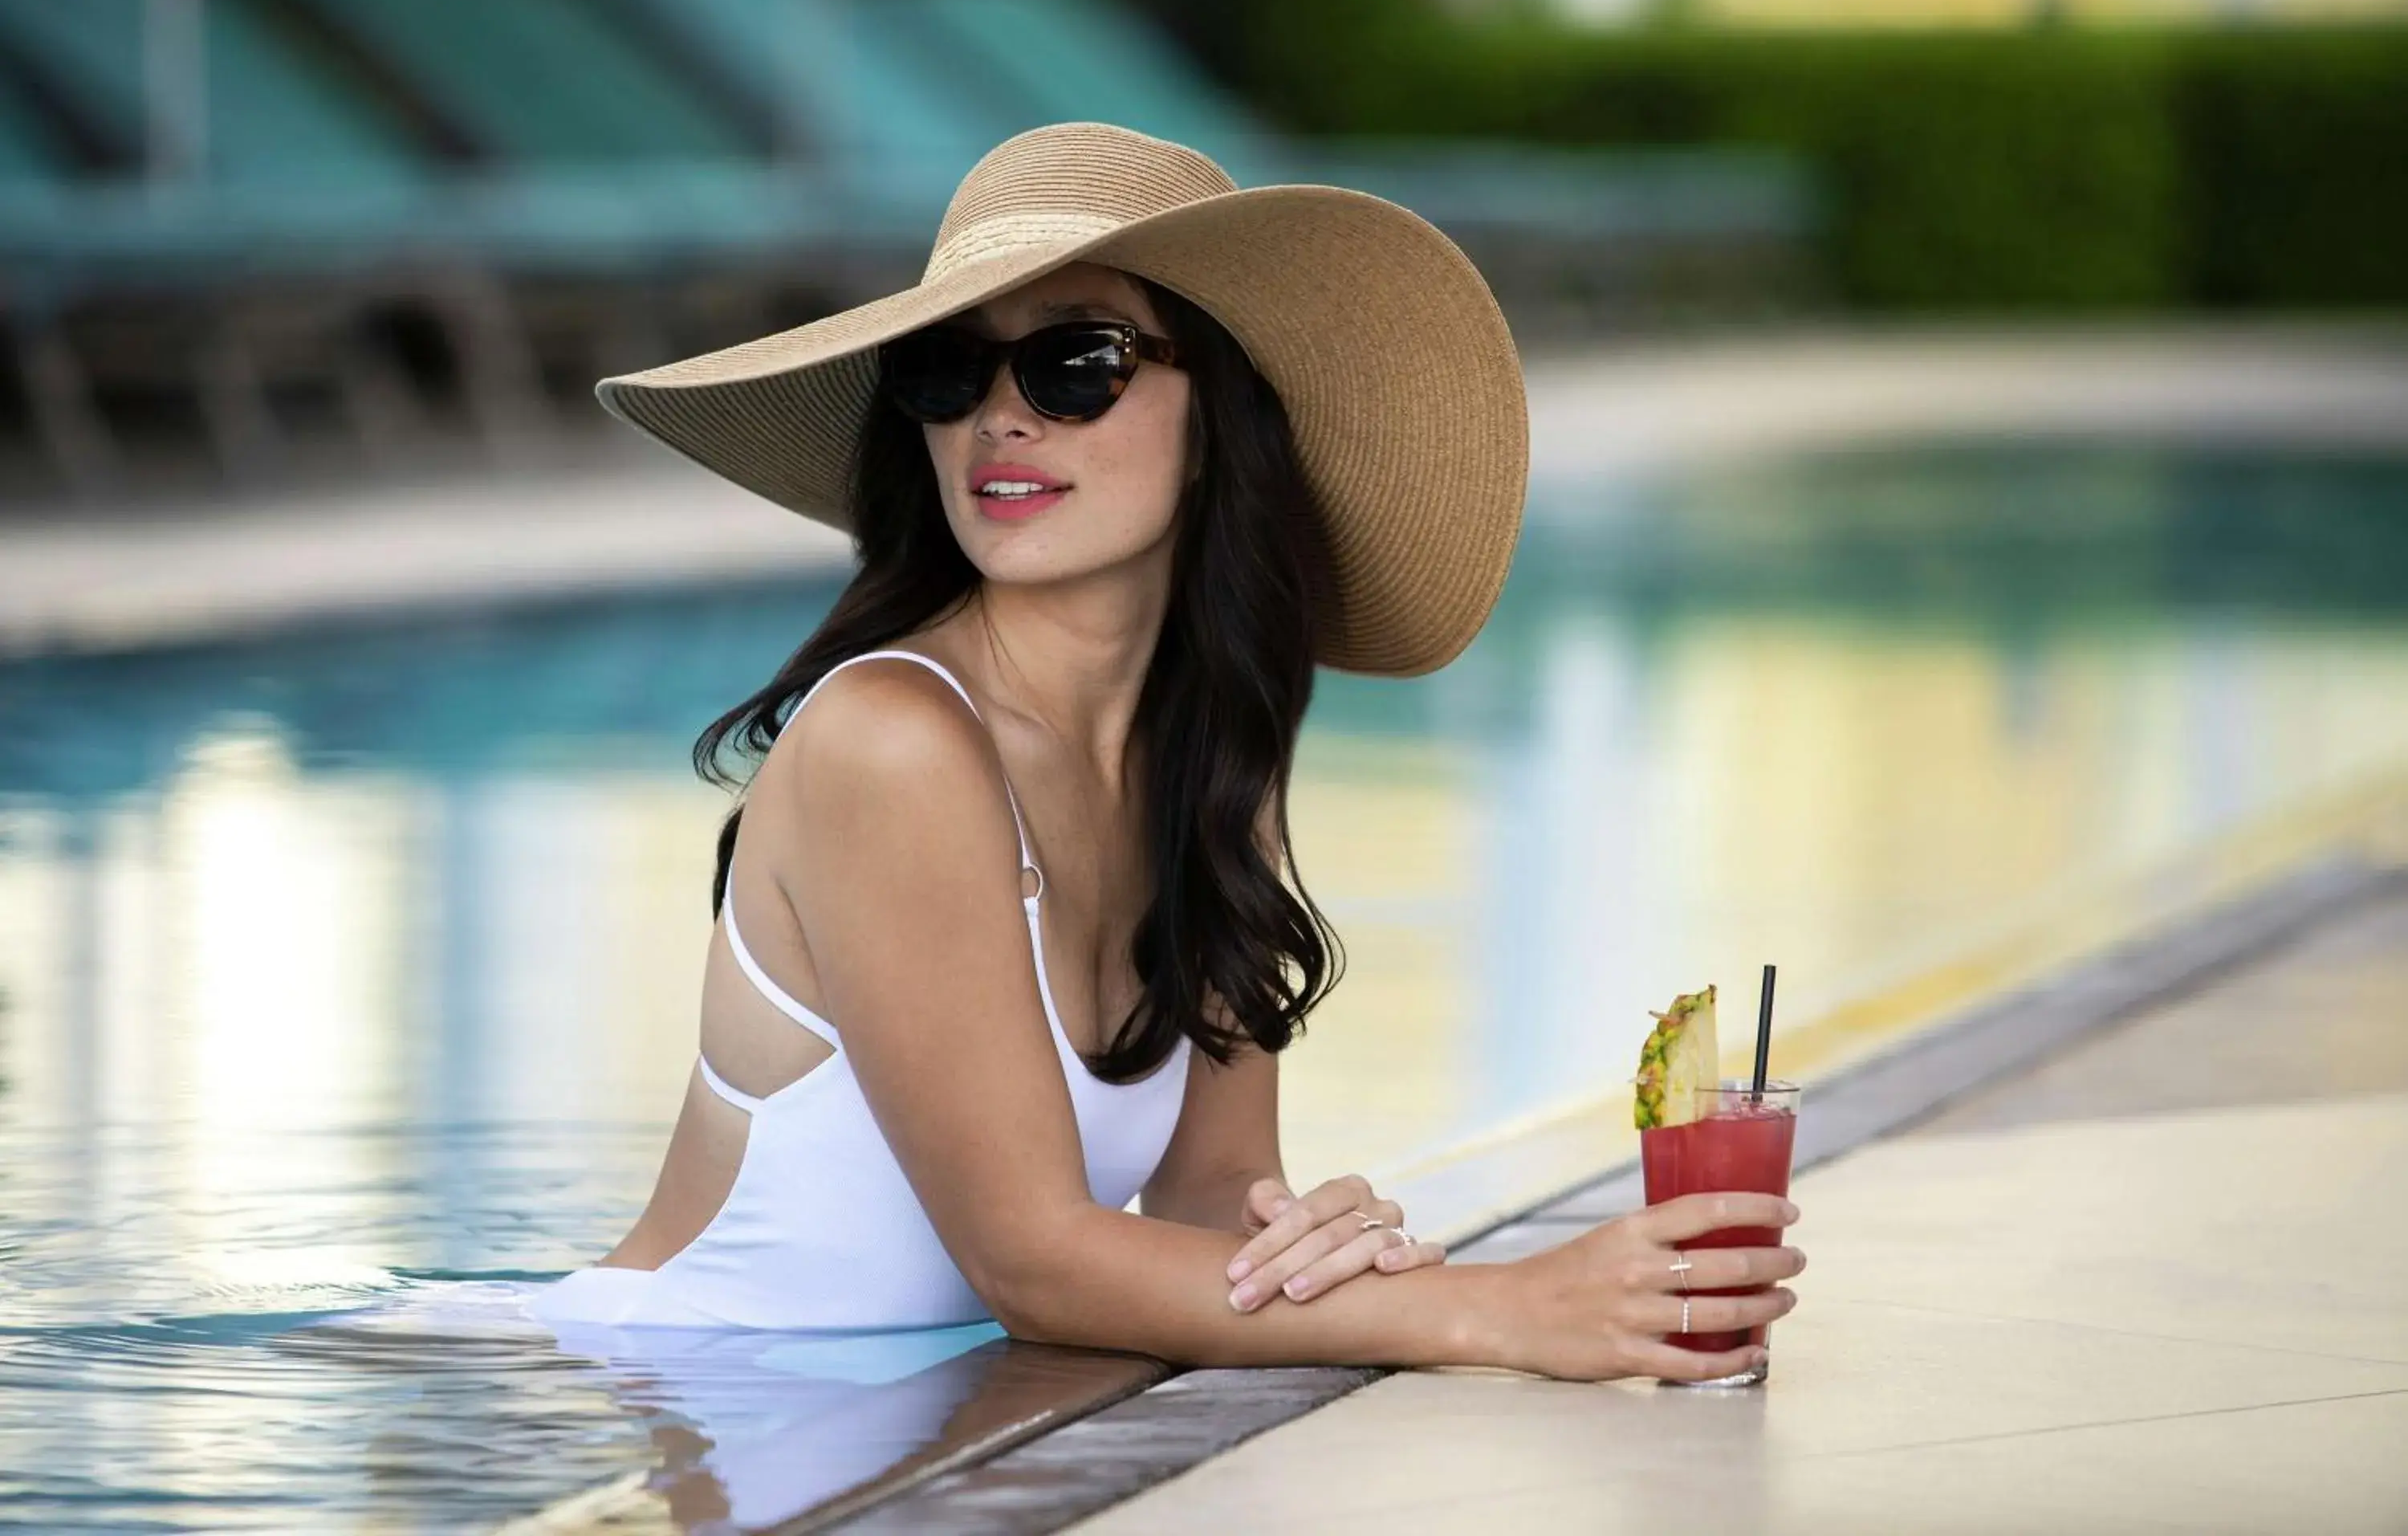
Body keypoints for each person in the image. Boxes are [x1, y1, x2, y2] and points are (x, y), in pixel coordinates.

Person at [526, 122, 1804, 1383]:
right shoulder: (891, 743)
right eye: (948, 370)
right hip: (682, 1407)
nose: (999, 419)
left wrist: (1319, 1247)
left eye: (1075, 363)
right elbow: (1032, 1267)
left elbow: (1208, 1197)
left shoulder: (1206, 761)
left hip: (897, 1422)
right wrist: (1496, 1309)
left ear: (1217, 422)